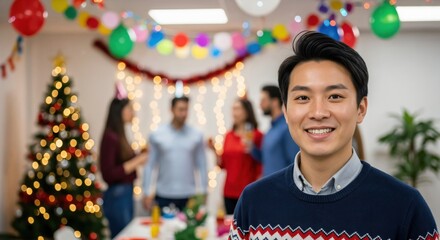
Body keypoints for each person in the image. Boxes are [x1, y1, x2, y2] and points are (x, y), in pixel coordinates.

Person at [230, 31, 438, 239]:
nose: (318, 112)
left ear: (361, 109)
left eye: (335, 96)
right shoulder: (253, 202)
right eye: (303, 97)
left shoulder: (405, 207)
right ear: (285, 111)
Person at [142, 96, 208, 212]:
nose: (184, 114)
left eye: (186, 110)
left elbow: (202, 165)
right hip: (163, 194)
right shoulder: (157, 135)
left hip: (189, 195)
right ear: (172, 109)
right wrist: (146, 192)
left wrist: (203, 191)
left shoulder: (196, 135)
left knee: (190, 229)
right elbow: (150, 165)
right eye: (180, 109)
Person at [100, 96, 148, 238]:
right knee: (123, 235)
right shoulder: (111, 137)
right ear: (119, 111)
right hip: (117, 196)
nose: (133, 113)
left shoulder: (120, 135)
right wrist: (137, 161)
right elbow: (108, 174)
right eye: (130, 109)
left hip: (125, 193)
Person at [208, 98, 263, 215]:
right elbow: (222, 165)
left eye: (237, 109)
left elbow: (261, 164)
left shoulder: (256, 135)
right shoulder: (228, 135)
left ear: (247, 112)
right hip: (228, 191)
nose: (234, 113)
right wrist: (214, 150)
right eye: (233, 109)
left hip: (248, 191)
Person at [251, 85, 299, 177]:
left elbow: (294, 163)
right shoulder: (269, 131)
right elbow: (267, 159)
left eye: (263, 100)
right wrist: (252, 149)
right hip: (270, 187)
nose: (260, 105)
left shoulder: (287, 128)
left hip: (282, 188)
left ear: (275, 102)